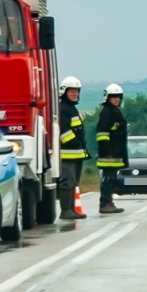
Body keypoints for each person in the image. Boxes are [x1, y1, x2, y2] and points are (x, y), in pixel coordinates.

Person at [57, 76, 88, 219]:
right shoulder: (63, 109)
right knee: (67, 182)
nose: (75, 94)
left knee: (73, 182)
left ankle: (71, 209)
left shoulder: (72, 109)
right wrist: (76, 142)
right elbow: (64, 132)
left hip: (76, 153)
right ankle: (66, 211)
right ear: (64, 92)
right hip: (67, 154)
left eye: (77, 91)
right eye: (72, 91)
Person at [94, 82, 128, 215]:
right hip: (109, 154)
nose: (116, 99)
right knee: (108, 179)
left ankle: (109, 202)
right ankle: (105, 203)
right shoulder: (107, 112)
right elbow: (102, 134)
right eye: (113, 97)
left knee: (111, 179)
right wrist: (107, 152)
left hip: (115, 153)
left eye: (118, 97)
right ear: (107, 98)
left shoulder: (115, 111)